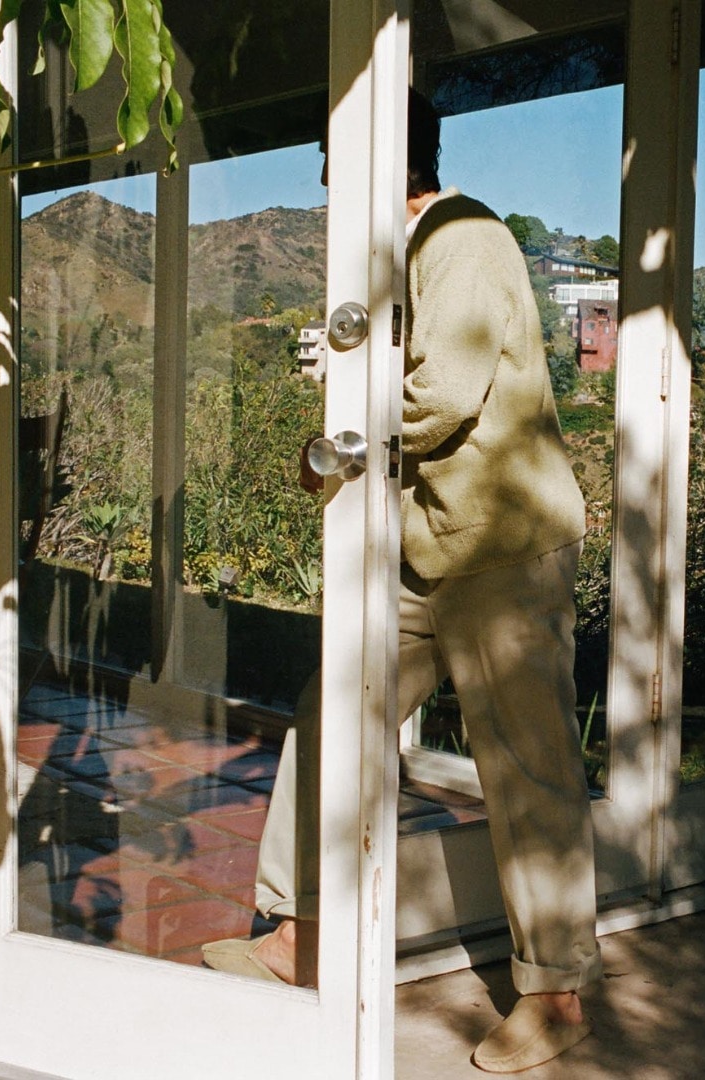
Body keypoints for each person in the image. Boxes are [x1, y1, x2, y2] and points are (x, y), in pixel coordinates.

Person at [203, 90, 602, 1074]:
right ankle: (301, 936)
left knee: (526, 767)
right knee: (332, 712)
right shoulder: (413, 255)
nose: (329, 187)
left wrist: (345, 426)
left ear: (383, 161)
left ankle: (553, 995)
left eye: (336, 168)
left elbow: (443, 395)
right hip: (427, 550)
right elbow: (407, 378)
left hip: (505, 552)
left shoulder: (465, 239)